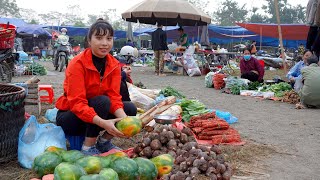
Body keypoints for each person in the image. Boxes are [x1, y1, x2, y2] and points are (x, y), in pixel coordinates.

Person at [55, 19, 137, 155]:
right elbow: (77, 103)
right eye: (99, 38)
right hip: (72, 117)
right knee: (102, 101)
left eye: (109, 38)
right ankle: (88, 147)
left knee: (129, 109)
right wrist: (104, 123)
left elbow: (114, 97)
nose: (105, 43)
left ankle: (104, 142)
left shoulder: (114, 64)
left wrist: (125, 121)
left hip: (97, 116)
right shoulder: (77, 64)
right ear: (89, 40)